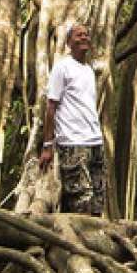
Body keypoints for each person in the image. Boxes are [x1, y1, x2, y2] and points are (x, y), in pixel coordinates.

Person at [39, 23, 105, 215]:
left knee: (97, 204)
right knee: (80, 203)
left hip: (95, 143)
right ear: (68, 42)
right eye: (78, 35)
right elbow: (51, 107)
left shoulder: (88, 71)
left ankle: (95, 244)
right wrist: (47, 145)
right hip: (73, 144)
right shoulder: (62, 68)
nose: (84, 37)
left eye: (86, 34)